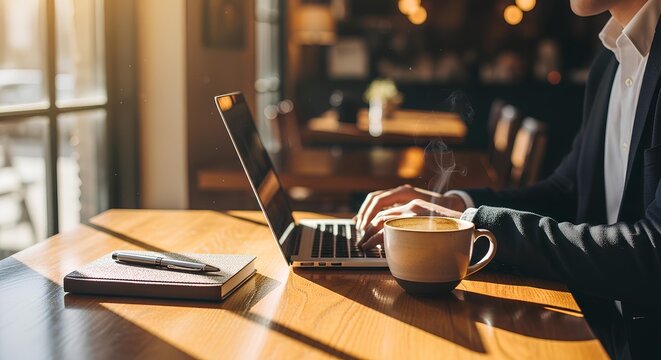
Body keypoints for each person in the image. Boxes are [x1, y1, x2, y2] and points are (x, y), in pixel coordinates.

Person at [355, 0, 661, 358]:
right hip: (601, 327)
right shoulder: (609, 62)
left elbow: (652, 253)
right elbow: (565, 192)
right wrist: (457, 205)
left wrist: (474, 226)